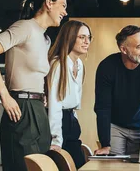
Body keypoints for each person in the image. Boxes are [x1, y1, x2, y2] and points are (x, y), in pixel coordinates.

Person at [0, 0, 67, 171]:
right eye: (63, 6)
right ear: (49, 3)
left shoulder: (45, 39)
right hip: (20, 107)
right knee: (21, 166)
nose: (65, 12)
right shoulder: (24, 27)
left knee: (40, 166)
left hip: (37, 109)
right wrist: (5, 96)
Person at [94, 25, 140, 155]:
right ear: (124, 49)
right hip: (115, 126)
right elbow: (103, 107)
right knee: (115, 166)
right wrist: (105, 144)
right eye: (139, 46)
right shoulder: (107, 67)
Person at [47, 20, 92, 168]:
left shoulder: (79, 65)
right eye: (82, 37)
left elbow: (75, 100)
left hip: (71, 119)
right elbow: (55, 104)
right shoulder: (58, 64)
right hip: (58, 122)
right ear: (70, 37)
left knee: (79, 164)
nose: (87, 42)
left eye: (89, 37)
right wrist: (56, 139)